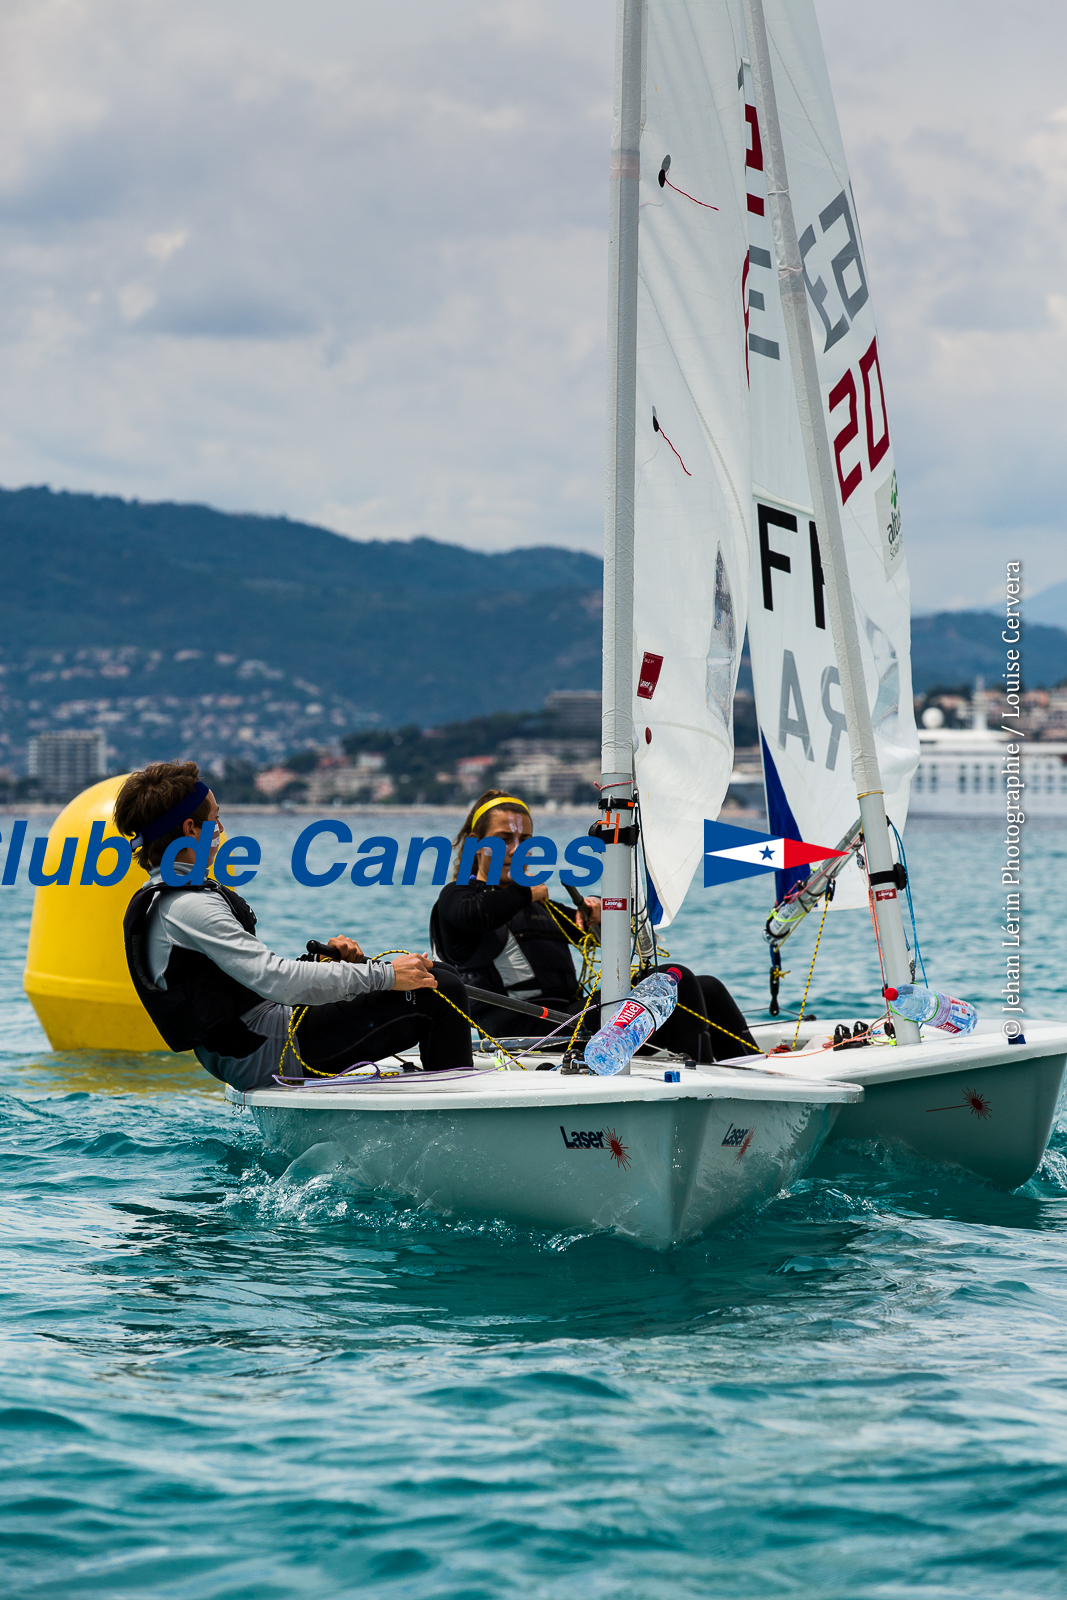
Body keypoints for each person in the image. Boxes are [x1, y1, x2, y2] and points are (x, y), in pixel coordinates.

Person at [116, 761, 473, 1091]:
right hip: (262, 1051)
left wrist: (330, 968)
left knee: (434, 972)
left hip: (251, 1042)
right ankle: (459, 1121)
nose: (222, 830)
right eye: (215, 818)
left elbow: (248, 984)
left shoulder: (170, 897)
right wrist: (386, 976)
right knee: (439, 990)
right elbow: (277, 981)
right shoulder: (188, 905)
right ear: (190, 829)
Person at [429, 789, 758, 1059]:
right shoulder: (456, 898)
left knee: (707, 987)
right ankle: (697, 1081)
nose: (517, 850)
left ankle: (751, 1070)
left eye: (525, 839)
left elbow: (604, 939)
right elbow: (476, 914)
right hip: (529, 1035)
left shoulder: (539, 905)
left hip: (576, 1020)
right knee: (676, 979)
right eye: (504, 839)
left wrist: (600, 914)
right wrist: (524, 892)